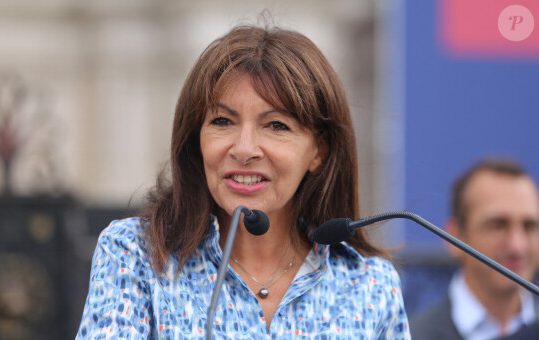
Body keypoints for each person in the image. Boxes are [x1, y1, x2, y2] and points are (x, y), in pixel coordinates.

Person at [76, 24, 410, 339]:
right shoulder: (136, 255)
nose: (245, 149)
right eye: (222, 121)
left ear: (318, 151)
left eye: (276, 125)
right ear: (196, 140)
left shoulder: (369, 286)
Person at [410, 159, 539, 339]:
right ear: (454, 237)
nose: (517, 246)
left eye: (530, 226)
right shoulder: (411, 336)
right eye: (497, 225)